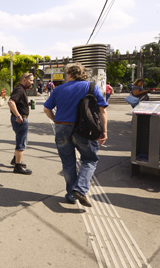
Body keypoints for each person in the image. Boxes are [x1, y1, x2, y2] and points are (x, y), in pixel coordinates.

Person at [43, 63, 108, 206]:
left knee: (68, 163)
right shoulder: (91, 87)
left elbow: (47, 109)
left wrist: (56, 121)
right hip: (84, 129)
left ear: (69, 74)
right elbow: (102, 110)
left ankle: (71, 195)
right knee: (90, 159)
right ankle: (80, 189)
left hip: (61, 128)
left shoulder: (58, 89)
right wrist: (104, 131)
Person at [8, 73, 35, 175]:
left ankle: (15, 160)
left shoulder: (21, 89)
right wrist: (18, 116)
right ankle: (18, 167)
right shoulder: (19, 89)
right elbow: (11, 102)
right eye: (31, 80)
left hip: (20, 119)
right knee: (21, 142)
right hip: (20, 120)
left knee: (23, 140)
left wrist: (27, 104)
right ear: (24, 80)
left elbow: (17, 102)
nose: (32, 83)